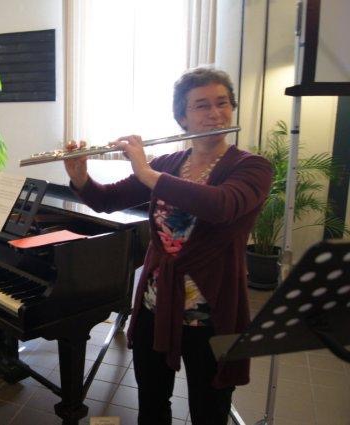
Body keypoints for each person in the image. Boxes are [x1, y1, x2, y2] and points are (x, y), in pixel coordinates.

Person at [64, 68, 272, 425]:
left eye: (222, 103)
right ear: (182, 117)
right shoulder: (169, 163)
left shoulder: (252, 167)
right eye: (201, 105)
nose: (215, 114)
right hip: (155, 303)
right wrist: (80, 176)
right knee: (151, 400)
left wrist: (146, 172)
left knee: (209, 407)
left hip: (212, 310)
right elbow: (107, 200)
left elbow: (221, 206)